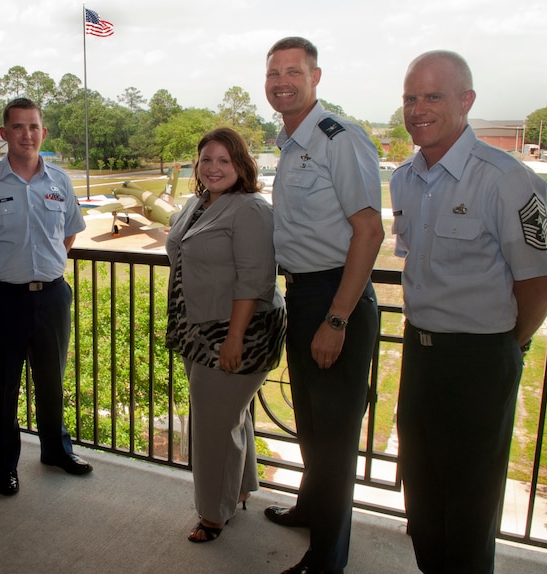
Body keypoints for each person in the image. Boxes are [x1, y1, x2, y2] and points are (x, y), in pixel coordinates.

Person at [391, 51, 547, 574]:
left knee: (469, 504)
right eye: (410, 97)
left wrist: (506, 345)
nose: (418, 109)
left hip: (480, 360)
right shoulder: (405, 180)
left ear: (466, 101)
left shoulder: (506, 180)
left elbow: (539, 285)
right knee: (420, 492)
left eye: (433, 96)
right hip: (420, 355)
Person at [263, 37, 384, 574]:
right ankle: (312, 509)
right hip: (304, 292)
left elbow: (369, 231)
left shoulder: (340, 138)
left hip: (339, 296)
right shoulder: (289, 143)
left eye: (293, 71)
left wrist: (337, 318)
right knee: (310, 422)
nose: (281, 81)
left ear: (316, 77)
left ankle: (327, 561)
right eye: (273, 73)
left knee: (333, 439)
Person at [0, 97, 91, 496]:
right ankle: (5, 466)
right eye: (17, 127)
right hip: (3, 300)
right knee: (2, 390)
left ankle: (56, 450)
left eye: (33, 127)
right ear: (3, 134)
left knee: (52, 380)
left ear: (43, 132)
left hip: (51, 298)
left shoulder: (60, 181)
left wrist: (45, 269)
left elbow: (69, 231)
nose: (26, 134)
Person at [165, 127, 286, 543]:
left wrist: (233, 338)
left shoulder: (250, 209)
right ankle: (237, 489)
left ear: (241, 165)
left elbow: (255, 280)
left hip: (237, 331)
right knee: (228, 417)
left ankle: (213, 515)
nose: (213, 168)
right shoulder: (197, 203)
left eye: (224, 160)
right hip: (196, 327)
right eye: (206, 159)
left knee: (214, 425)